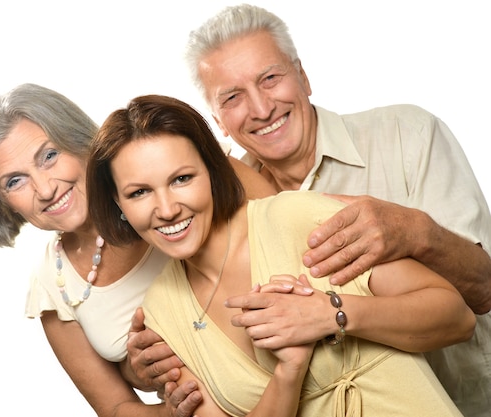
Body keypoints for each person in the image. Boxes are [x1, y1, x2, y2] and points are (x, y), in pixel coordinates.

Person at [127, 5, 491, 416]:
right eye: (232, 97)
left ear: (303, 76)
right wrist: (153, 368)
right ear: (219, 123)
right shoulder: (231, 213)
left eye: (270, 78)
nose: (261, 109)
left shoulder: (407, 136)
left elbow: (483, 290)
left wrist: (417, 233)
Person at [86, 93, 475, 416]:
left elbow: (456, 318)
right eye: (139, 192)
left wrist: (332, 314)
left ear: (213, 171)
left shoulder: (294, 217)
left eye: (182, 179)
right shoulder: (161, 315)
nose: (167, 208)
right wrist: (288, 372)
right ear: (118, 204)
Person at [0, 83, 276, 417]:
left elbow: (294, 225)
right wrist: (167, 402)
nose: (46, 189)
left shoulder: (178, 166)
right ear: (2, 202)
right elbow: (116, 408)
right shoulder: (54, 285)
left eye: (49, 156)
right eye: (14, 181)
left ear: (77, 140)